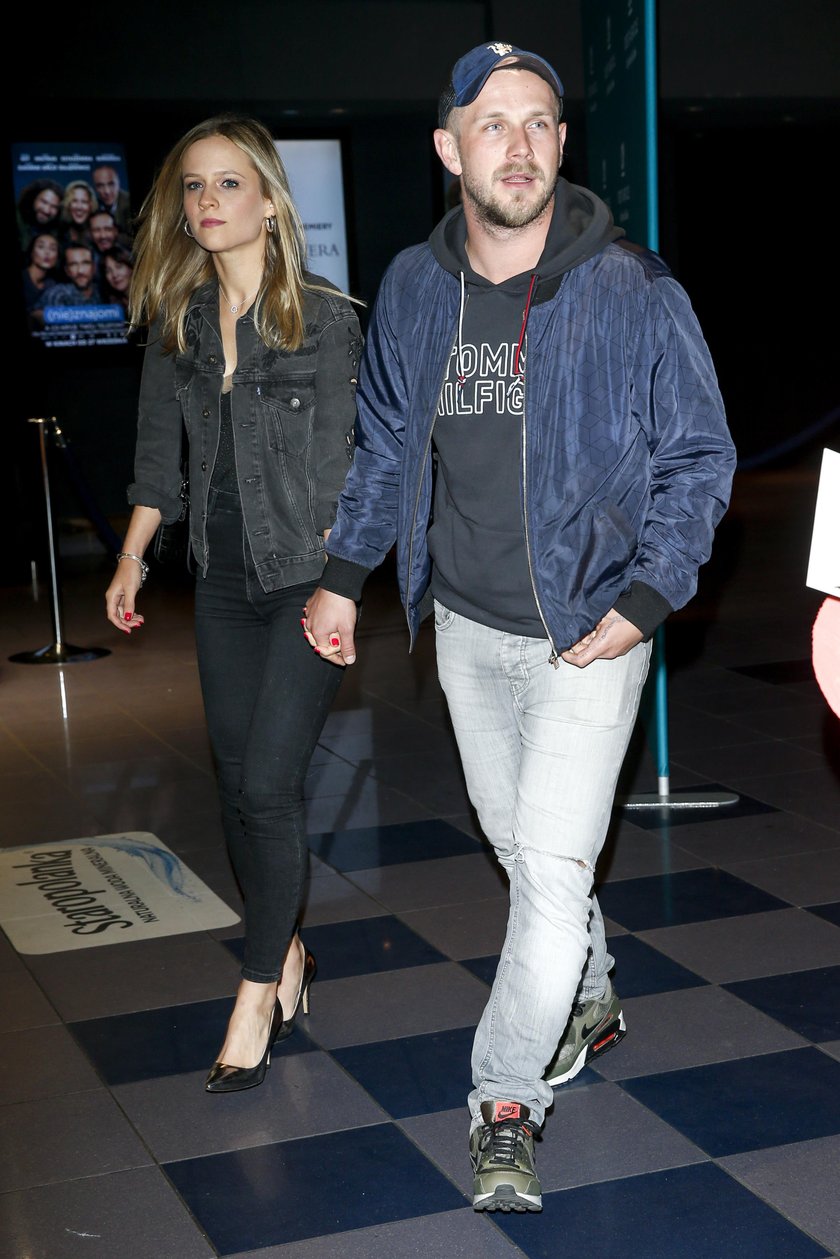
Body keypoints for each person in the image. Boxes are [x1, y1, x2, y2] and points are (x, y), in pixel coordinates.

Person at [303, 42, 737, 1212]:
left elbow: (700, 457)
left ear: (562, 143)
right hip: (468, 627)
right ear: (449, 149)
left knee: (547, 870)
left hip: (593, 627)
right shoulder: (411, 287)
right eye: (492, 123)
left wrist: (644, 600)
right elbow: (384, 447)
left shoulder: (633, 288)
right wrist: (345, 577)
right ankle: (588, 993)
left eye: (539, 121)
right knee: (522, 849)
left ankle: (505, 1100)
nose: (519, 144)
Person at [104, 115, 361, 1095]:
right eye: (194, 187)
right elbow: (154, 461)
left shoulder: (324, 320)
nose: (208, 201)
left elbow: (349, 473)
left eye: (228, 183)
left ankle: (255, 994)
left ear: (269, 203)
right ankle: (286, 950)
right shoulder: (177, 324)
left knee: (268, 789)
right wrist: (132, 558)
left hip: (304, 581)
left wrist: (341, 589)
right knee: (236, 786)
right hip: (218, 582)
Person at [42, 241, 102, 306]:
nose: (80, 271)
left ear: (94, 268)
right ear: (67, 270)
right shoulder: (57, 295)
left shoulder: (102, 292)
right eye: (73, 264)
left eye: (85, 263)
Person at [22, 231, 60, 326]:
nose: (47, 253)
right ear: (31, 252)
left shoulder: (52, 285)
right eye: (41, 247)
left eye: (52, 249)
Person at [16, 178, 63, 252]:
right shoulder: (18, 220)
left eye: (54, 207)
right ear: (33, 199)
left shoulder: (59, 231)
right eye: (44, 202)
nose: (47, 210)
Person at [92, 163, 132, 233]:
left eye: (111, 184)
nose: (107, 191)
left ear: (118, 183)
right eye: (100, 185)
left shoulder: (129, 204)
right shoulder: (92, 206)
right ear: (95, 187)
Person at [58, 179, 97, 247]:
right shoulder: (59, 232)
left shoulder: (98, 233)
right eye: (74, 201)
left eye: (84, 202)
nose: (79, 207)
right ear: (68, 204)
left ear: (91, 205)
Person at [100, 242, 134, 312]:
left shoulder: (150, 296)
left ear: (131, 268)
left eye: (119, 267)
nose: (115, 275)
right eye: (108, 271)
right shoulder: (109, 304)